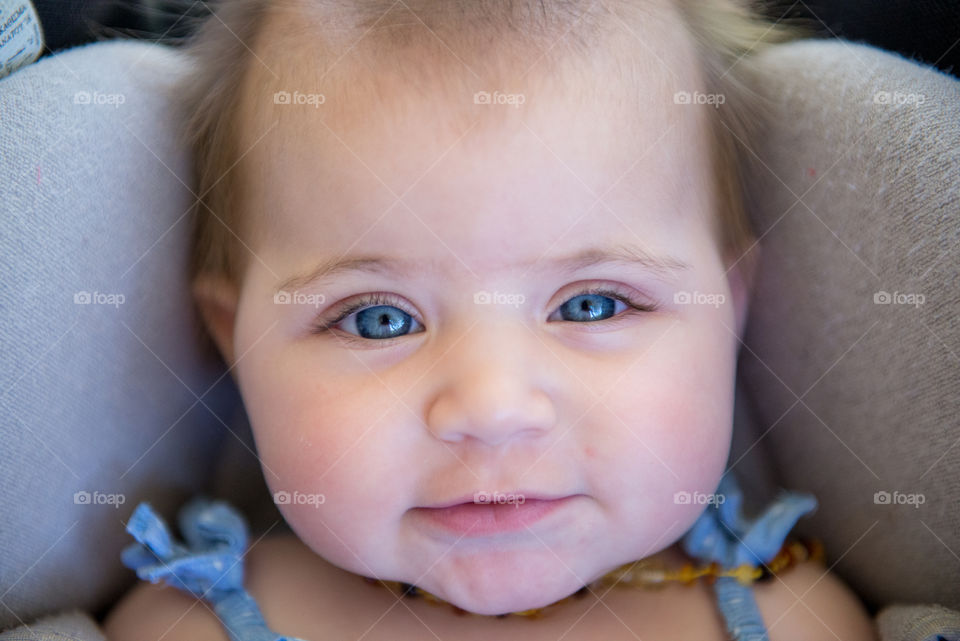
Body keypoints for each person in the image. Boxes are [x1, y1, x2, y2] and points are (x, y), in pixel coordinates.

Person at [103, 0, 877, 638]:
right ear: (231, 337)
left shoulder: (795, 620)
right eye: (378, 319)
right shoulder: (190, 622)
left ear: (728, 311)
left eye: (592, 304)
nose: (493, 408)